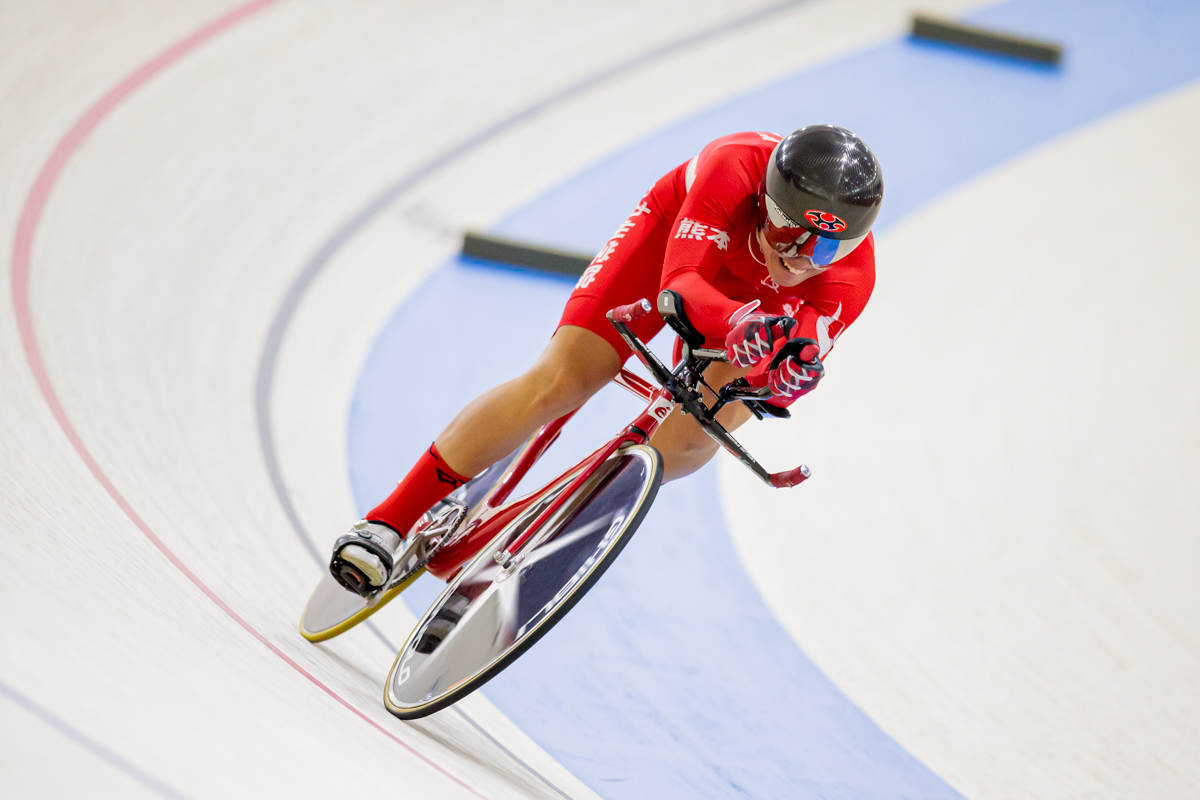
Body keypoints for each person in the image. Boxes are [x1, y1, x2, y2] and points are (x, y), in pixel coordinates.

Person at [331, 124, 883, 595]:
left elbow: (793, 369)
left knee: (690, 440)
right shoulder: (732, 167)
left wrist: (784, 374)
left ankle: (559, 528)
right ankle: (389, 522)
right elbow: (681, 287)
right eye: (789, 233)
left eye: (825, 248)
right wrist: (736, 321)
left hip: (764, 310)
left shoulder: (851, 279)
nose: (800, 258)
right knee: (562, 381)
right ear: (765, 202)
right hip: (677, 243)